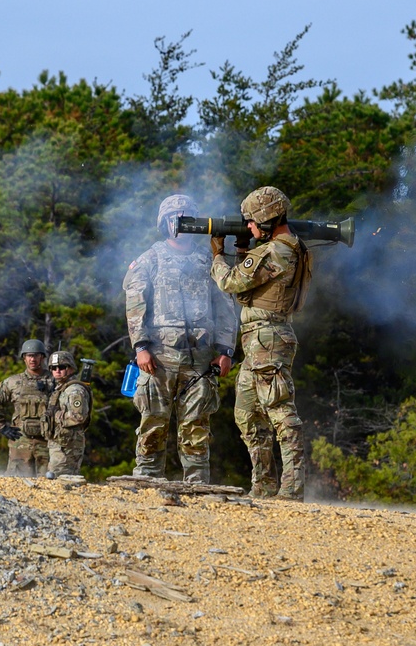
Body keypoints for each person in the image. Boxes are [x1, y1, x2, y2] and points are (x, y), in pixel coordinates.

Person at [122, 194, 239, 483]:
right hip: (158, 359)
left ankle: (197, 485)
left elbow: (226, 306)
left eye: (188, 218)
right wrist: (141, 347)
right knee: (153, 422)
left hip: (199, 360)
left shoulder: (208, 261)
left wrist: (226, 350)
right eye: (176, 218)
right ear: (165, 223)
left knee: (197, 426)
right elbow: (136, 304)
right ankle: (146, 481)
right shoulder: (151, 259)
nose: (182, 224)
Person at [209, 186, 312, 500]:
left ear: (269, 220)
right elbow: (247, 291)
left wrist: (217, 254)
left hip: (269, 338)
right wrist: (242, 252)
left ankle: (292, 488)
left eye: (253, 222)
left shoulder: (277, 251)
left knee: (280, 410)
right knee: (247, 413)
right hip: (258, 339)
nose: (249, 227)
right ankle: (264, 484)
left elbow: (231, 282)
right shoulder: (275, 249)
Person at [0, 338, 53, 477]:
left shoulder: (53, 381)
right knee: (17, 483)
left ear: (42, 357)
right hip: (20, 440)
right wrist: (1, 426)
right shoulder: (13, 382)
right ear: (24, 358)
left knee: (49, 484)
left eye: (36, 355)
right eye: (29, 355)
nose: (32, 359)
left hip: (47, 441)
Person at [42, 350, 92, 477]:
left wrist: (56, 416)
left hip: (68, 447)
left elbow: (79, 416)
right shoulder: (61, 388)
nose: (57, 370)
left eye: (62, 367)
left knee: (62, 479)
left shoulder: (74, 390)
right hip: (60, 443)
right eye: (53, 368)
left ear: (70, 368)